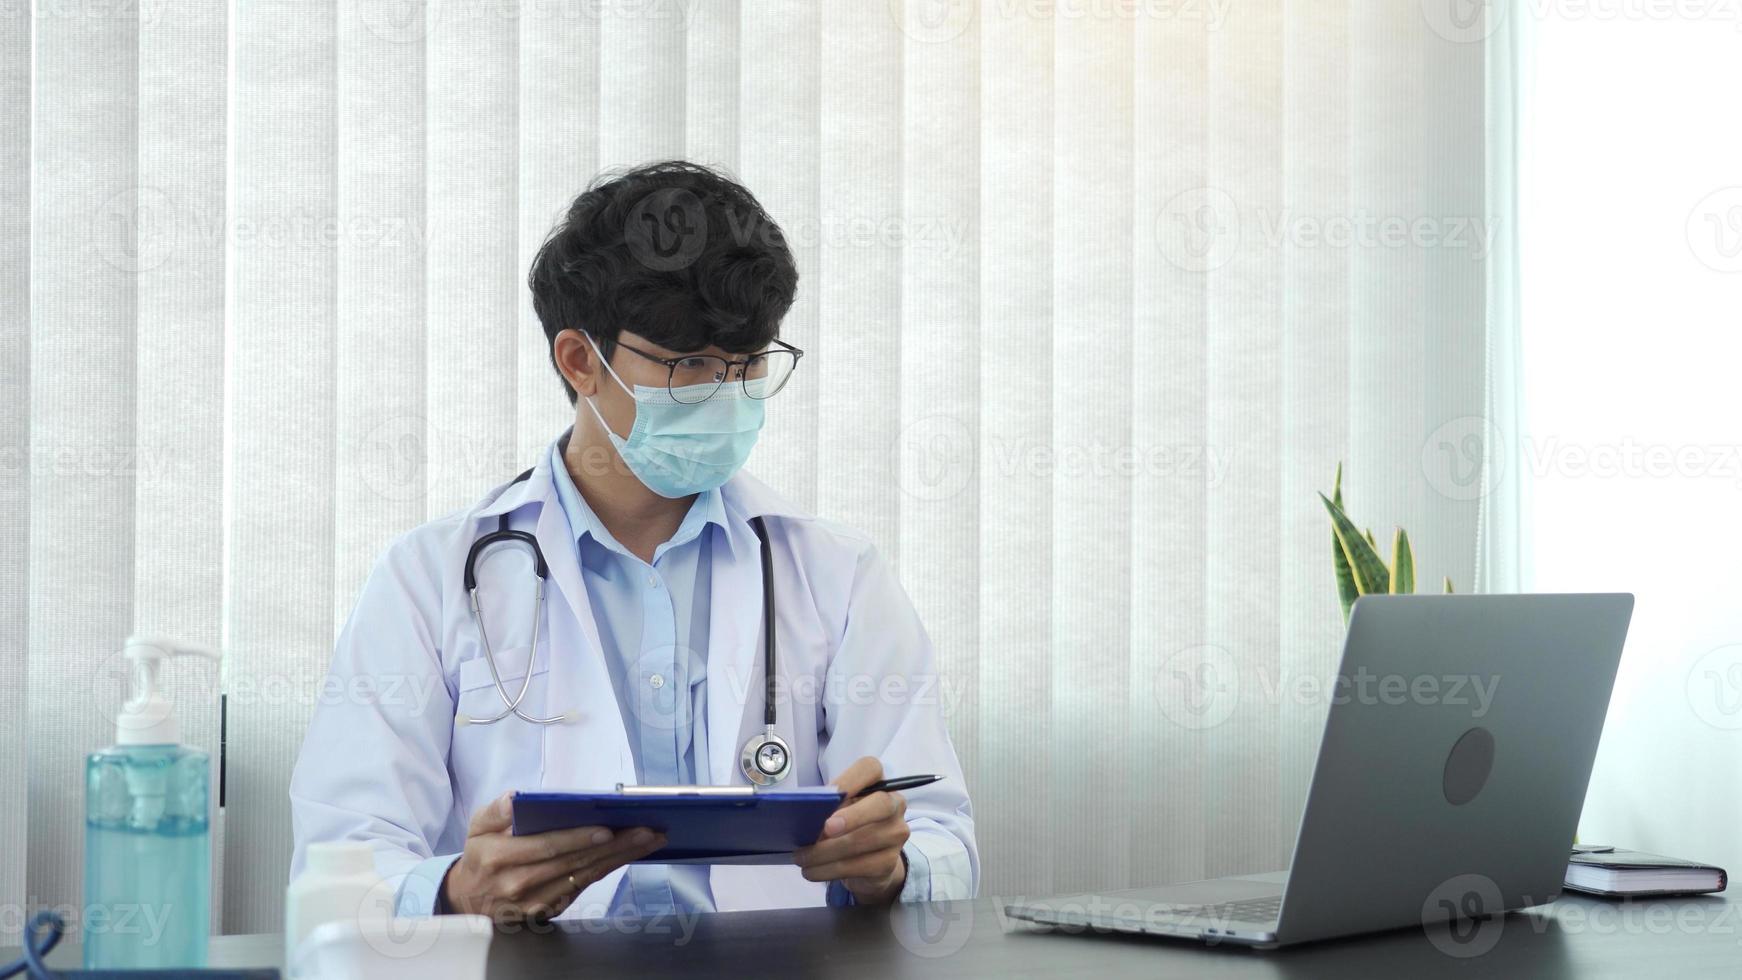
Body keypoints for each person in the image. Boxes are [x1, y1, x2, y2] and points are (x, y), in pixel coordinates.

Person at [289, 160, 977, 921]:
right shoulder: (430, 578)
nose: (729, 392)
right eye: (692, 365)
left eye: (750, 364)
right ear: (580, 360)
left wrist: (887, 866)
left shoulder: (837, 574)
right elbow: (339, 864)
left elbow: (942, 838)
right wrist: (455, 891)